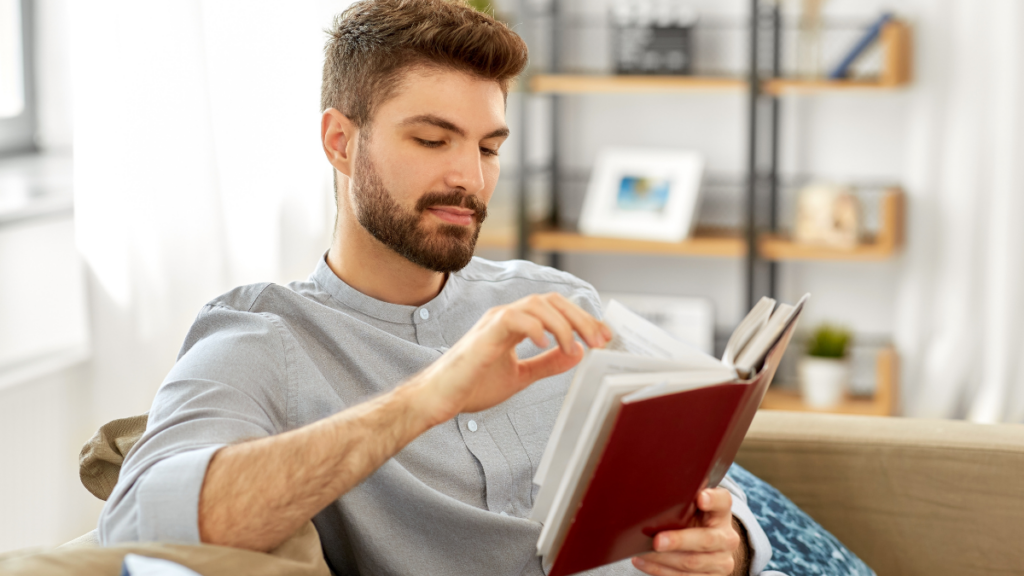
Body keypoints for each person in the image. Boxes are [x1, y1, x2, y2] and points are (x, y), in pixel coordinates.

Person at [98, 1, 778, 574]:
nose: (470, 180)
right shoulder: (263, 337)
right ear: (340, 142)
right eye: (431, 140)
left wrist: (732, 545)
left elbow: (706, 480)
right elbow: (136, 527)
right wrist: (432, 394)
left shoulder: (558, 300)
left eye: (487, 148)